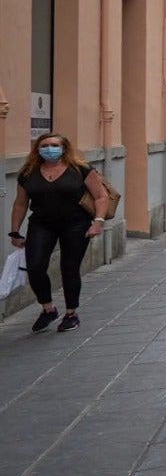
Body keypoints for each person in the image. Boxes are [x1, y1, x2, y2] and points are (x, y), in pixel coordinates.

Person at [8, 132, 111, 333]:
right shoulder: (28, 172)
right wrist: (15, 232)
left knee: (69, 268)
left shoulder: (80, 169)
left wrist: (97, 222)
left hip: (76, 224)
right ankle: (48, 309)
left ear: (64, 148)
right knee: (35, 266)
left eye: (54, 145)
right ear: (37, 149)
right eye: (44, 145)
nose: (49, 149)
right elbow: (20, 203)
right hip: (41, 224)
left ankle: (71, 314)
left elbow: (100, 196)